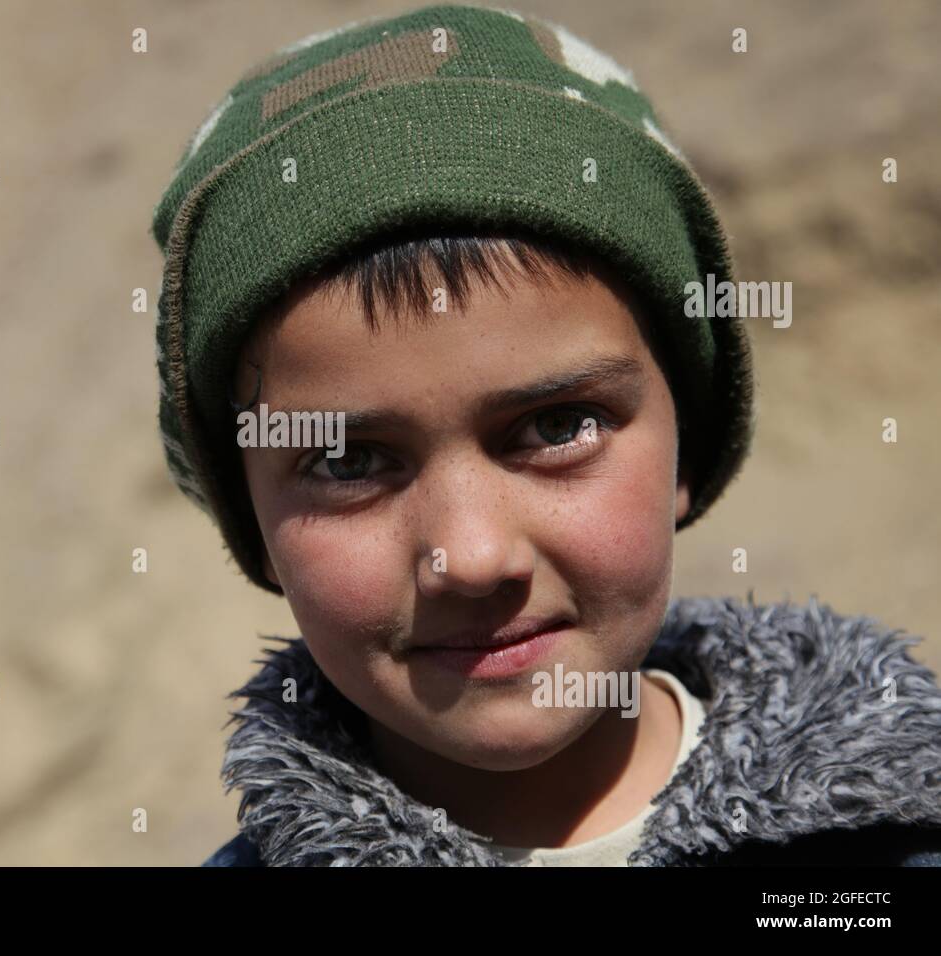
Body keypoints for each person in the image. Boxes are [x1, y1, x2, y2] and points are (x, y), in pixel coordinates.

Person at [147, 3, 941, 866]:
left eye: (557, 427)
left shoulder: (887, 842)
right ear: (251, 527)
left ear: (688, 440)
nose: (474, 556)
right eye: (348, 461)